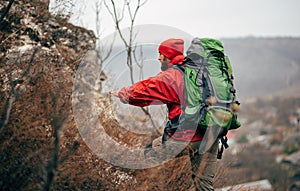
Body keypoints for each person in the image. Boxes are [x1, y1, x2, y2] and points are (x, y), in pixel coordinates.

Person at [110, 38, 219, 191]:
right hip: (211, 135)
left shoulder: (172, 76)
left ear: (169, 56)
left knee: (147, 154)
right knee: (205, 187)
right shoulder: (200, 72)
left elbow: (147, 89)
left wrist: (123, 94)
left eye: (161, 54)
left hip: (187, 137)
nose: (159, 58)